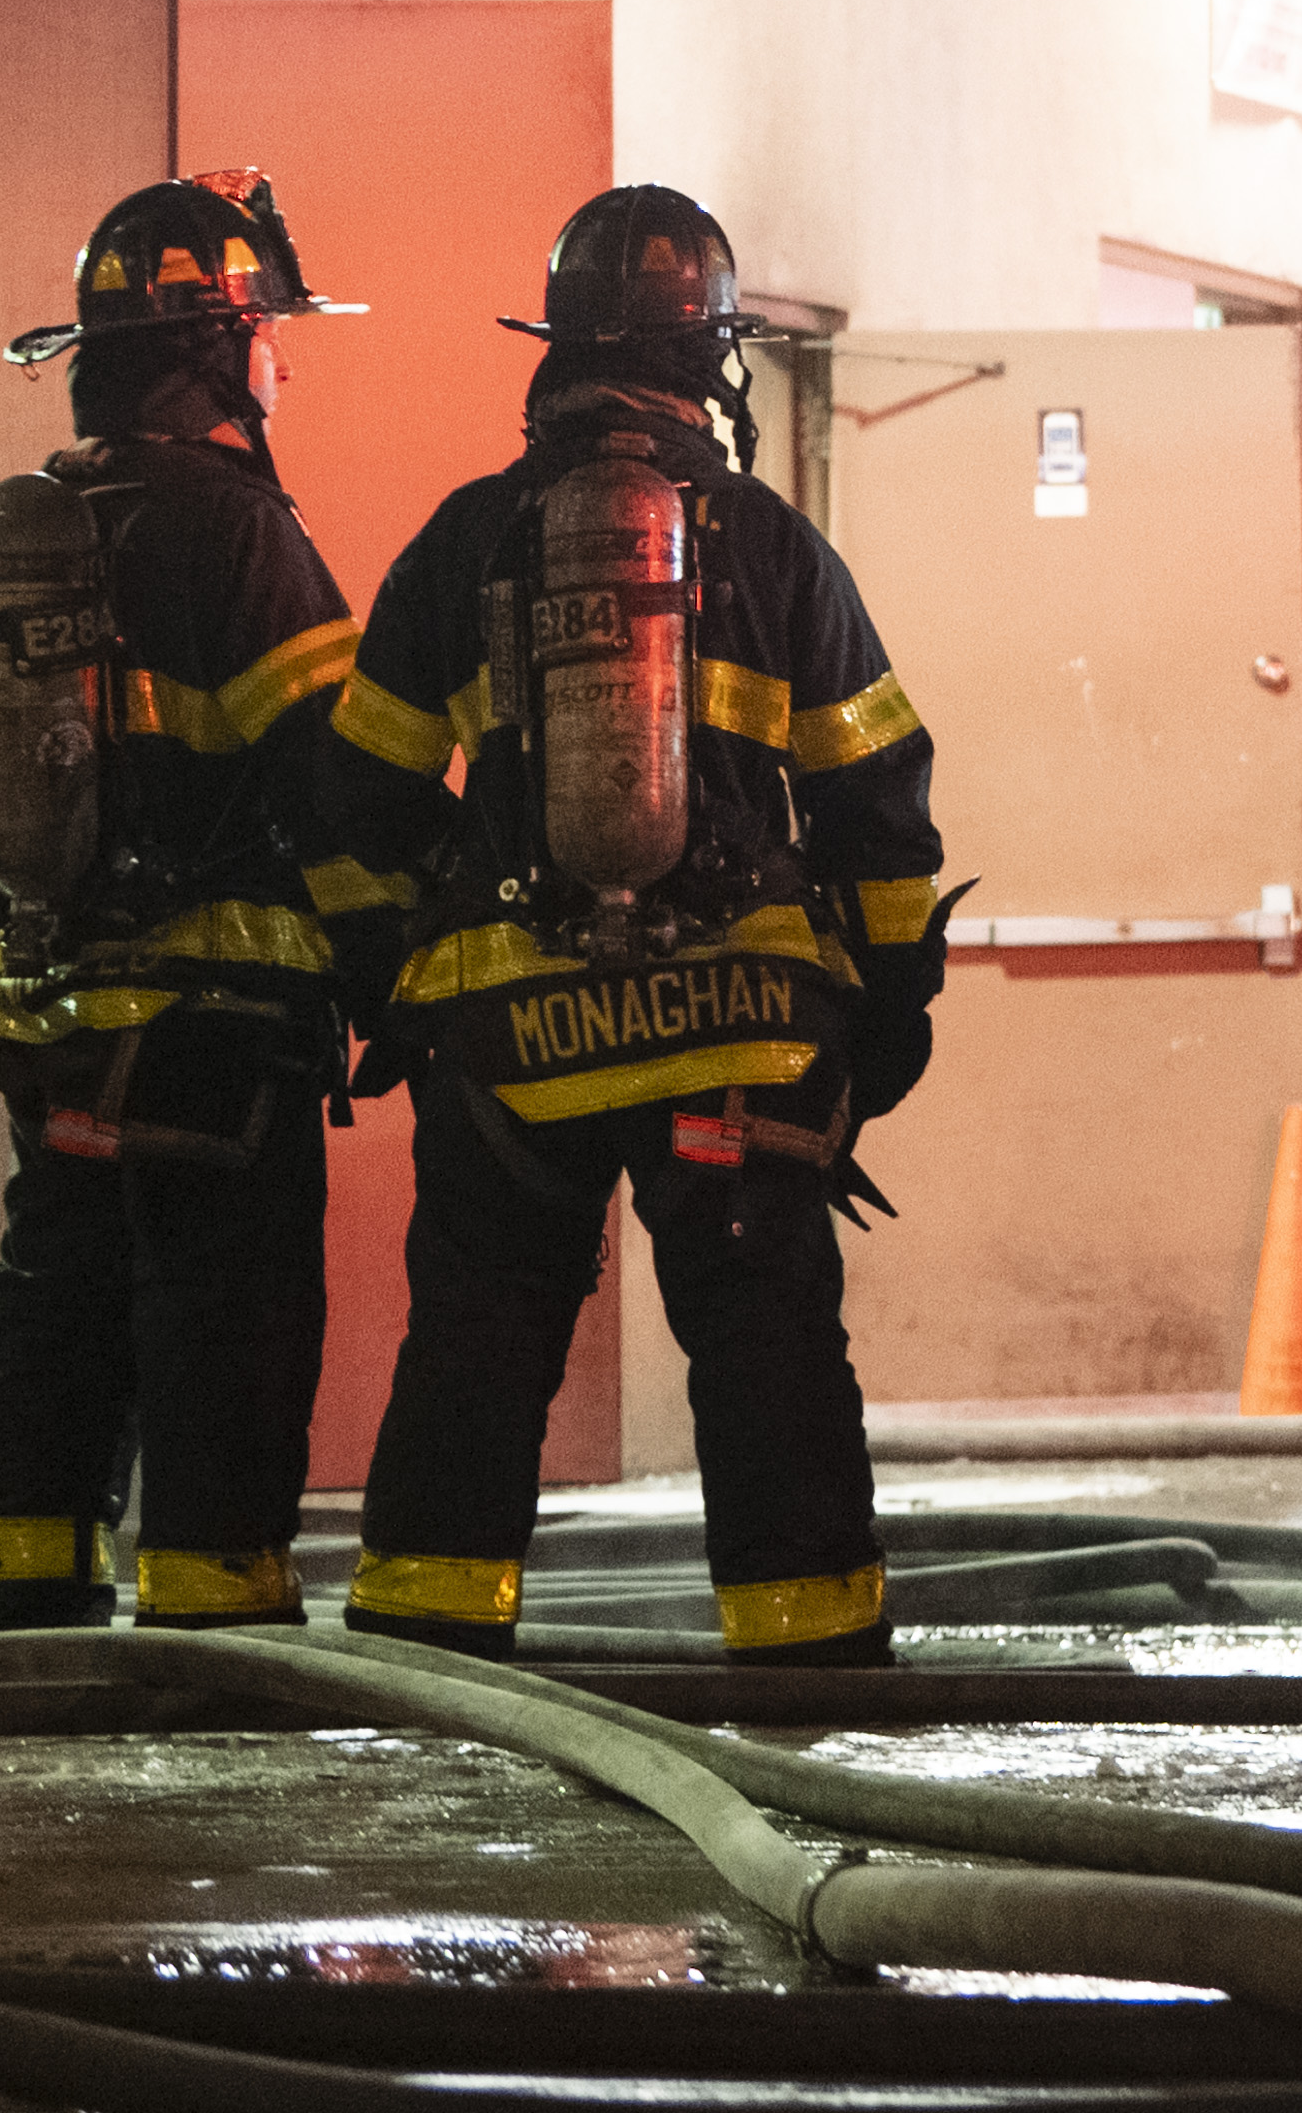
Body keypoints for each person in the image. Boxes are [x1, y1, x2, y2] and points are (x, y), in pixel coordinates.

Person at [330, 186, 942, 1665]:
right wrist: (889, 1000)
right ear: (713, 359)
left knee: (476, 1343)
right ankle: (805, 1668)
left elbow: (354, 806)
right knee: (764, 1347)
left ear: (553, 350)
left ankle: (426, 1668)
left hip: (511, 1049)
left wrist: (404, 986)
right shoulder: (777, 551)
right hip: (735, 1050)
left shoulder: (459, 546)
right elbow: (877, 798)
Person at [0, 177, 376, 1633]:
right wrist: (395, 958)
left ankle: (22, 1586)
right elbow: (328, 773)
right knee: (223, 1309)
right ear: (221, 347)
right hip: (215, 1012)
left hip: (48, 1004)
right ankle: (213, 1608)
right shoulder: (236, 528)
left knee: (60, 1280)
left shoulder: (38, 526)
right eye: (267, 334)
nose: (282, 365)